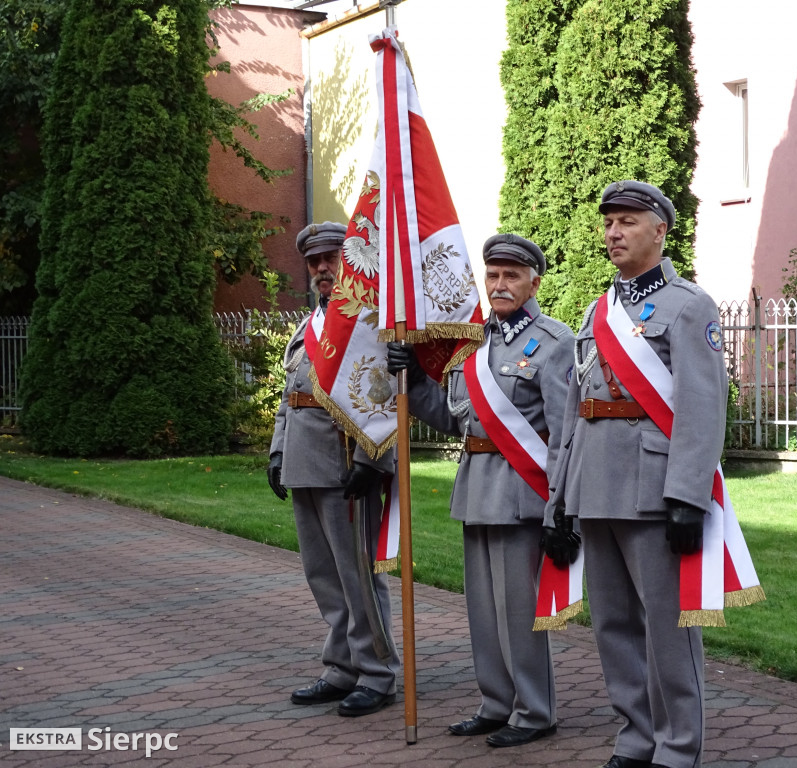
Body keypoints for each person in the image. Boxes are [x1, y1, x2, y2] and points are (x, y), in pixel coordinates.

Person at [543, 181, 729, 768]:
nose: (613, 233)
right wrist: (561, 500)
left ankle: (677, 746)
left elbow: (702, 406)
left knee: (667, 627)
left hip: (653, 487)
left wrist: (687, 495)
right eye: (608, 223)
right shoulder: (598, 312)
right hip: (594, 484)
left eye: (626, 221)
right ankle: (636, 737)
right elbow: (576, 411)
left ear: (660, 230)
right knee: (614, 625)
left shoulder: (689, 305)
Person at [387, 234, 574, 748]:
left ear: (534, 281)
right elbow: (455, 418)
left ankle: (534, 710)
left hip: (521, 493)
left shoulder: (554, 343)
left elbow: (563, 433)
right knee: (483, 611)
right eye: (493, 275)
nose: (500, 284)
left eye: (512, 275)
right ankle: (495, 702)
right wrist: (414, 383)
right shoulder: (472, 343)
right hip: (476, 490)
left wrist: (560, 506)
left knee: (518, 611)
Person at [268, 221, 400, 717]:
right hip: (305, 464)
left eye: (332, 258)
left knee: (358, 576)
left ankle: (377, 673)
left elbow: (383, 398)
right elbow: (290, 399)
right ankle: (342, 667)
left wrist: (371, 460)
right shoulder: (309, 326)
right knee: (323, 576)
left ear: (350, 262)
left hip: (347, 467)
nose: (323, 268)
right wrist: (278, 452)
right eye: (315, 261)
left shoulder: (367, 324)